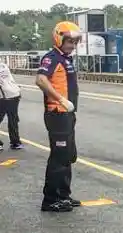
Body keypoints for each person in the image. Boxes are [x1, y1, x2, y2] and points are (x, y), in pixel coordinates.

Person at [36, 21, 81, 212]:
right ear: (59, 39)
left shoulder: (66, 59)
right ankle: (50, 200)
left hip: (67, 115)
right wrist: (60, 99)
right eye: (69, 41)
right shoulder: (52, 58)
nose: (72, 45)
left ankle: (63, 195)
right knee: (58, 158)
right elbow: (41, 80)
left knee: (68, 156)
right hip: (57, 115)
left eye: (75, 42)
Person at [0, 61, 23, 151]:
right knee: (13, 119)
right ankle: (15, 142)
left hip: (4, 96)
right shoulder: (3, 65)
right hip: (14, 93)